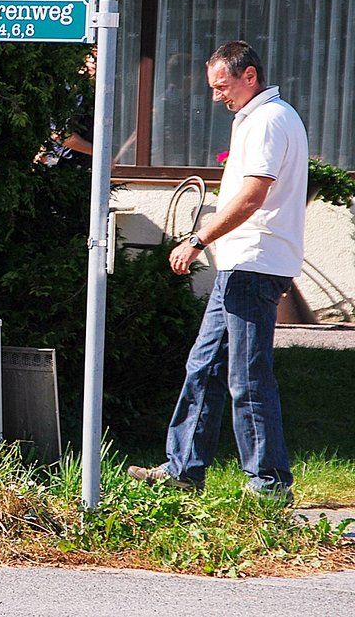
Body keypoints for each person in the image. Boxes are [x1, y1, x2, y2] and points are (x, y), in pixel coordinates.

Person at [127, 41, 308, 502]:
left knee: (247, 376)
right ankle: (184, 469)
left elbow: (253, 195)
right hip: (242, 264)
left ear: (250, 76)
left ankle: (268, 486)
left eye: (222, 86)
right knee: (204, 366)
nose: (217, 96)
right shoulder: (257, 117)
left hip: (254, 263)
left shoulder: (269, 119)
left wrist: (198, 238)